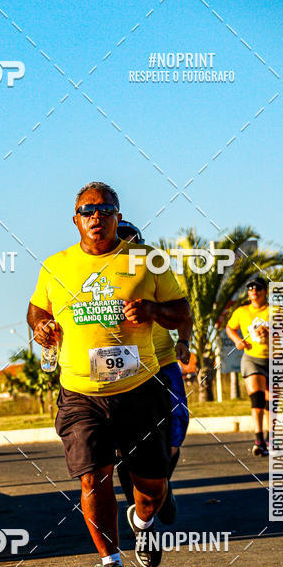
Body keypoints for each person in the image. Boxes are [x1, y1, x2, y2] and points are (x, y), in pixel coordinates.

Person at [27, 182, 191, 567]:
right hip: (80, 392)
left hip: (140, 389)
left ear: (118, 215)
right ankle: (111, 562)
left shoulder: (148, 261)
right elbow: (36, 311)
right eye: (87, 210)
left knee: (151, 485)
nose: (95, 217)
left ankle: (145, 519)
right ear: (75, 219)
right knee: (92, 477)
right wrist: (41, 328)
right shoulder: (55, 266)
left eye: (104, 209)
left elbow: (182, 311)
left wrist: (154, 310)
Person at [114, 221, 191, 524]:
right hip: (124, 369)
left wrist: (183, 341)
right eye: (121, 243)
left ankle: (162, 485)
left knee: (177, 425)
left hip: (163, 361)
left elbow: (183, 312)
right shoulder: (95, 279)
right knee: (124, 442)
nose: (128, 249)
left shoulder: (153, 272)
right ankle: (139, 506)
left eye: (134, 242)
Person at [225, 277, 271, 456]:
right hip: (252, 358)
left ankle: (269, 437)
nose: (254, 291)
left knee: (271, 402)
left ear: (265, 291)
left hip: (274, 359)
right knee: (257, 399)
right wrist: (237, 340)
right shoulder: (242, 311)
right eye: (250, 288)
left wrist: (271, 330)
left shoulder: (274, 311)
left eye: (258, 288)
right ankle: (259, 439)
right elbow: (230, 328)